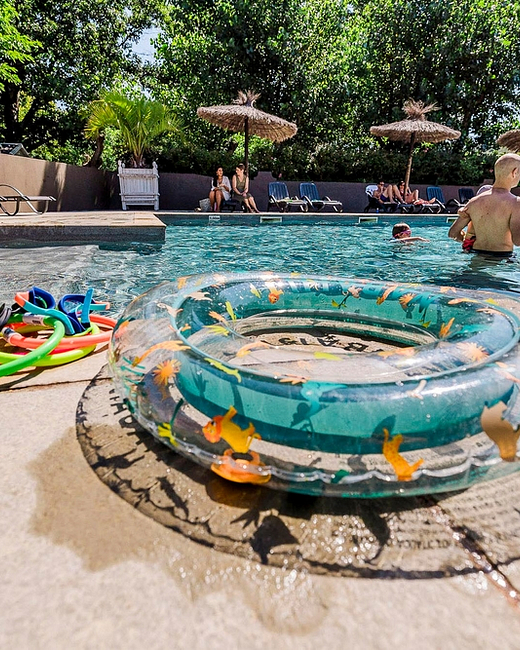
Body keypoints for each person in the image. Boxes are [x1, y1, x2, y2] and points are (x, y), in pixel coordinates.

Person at [448, 154, 520, 257]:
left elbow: (453, 233)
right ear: (515, 172)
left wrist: (465, 239)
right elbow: (517, 241)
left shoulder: (474, 201)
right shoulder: (516, 203)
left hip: (477, 255)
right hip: (501, 260)